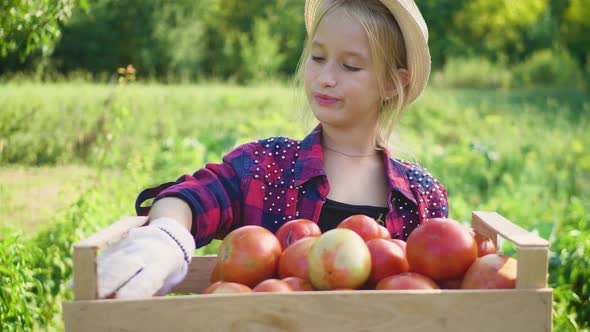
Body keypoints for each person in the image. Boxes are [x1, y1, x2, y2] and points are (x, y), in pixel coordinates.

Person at [96, 0, 449, 299]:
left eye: (350, 65)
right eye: (317, 57)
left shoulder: (421, 196)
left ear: (392, 83)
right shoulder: (264, 166)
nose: (326, 77)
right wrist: (166, 234)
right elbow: (196, 194)